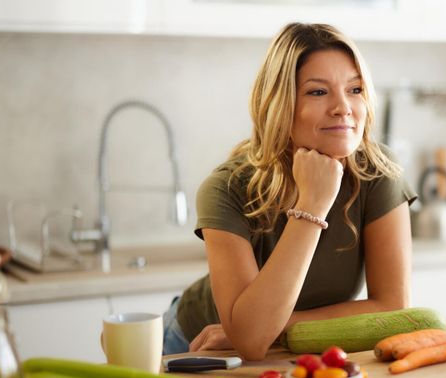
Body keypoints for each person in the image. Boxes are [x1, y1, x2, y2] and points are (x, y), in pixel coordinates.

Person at [162, 22, 417, 360]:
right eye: (318, 91)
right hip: (197, 344)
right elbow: (252, 341)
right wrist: (313, 204)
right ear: (280, 104)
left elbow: (392, 308)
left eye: (355, 89)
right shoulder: (225, 189)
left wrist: (281, 328)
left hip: (292, 343)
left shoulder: (378, 171)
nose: (343, 107)